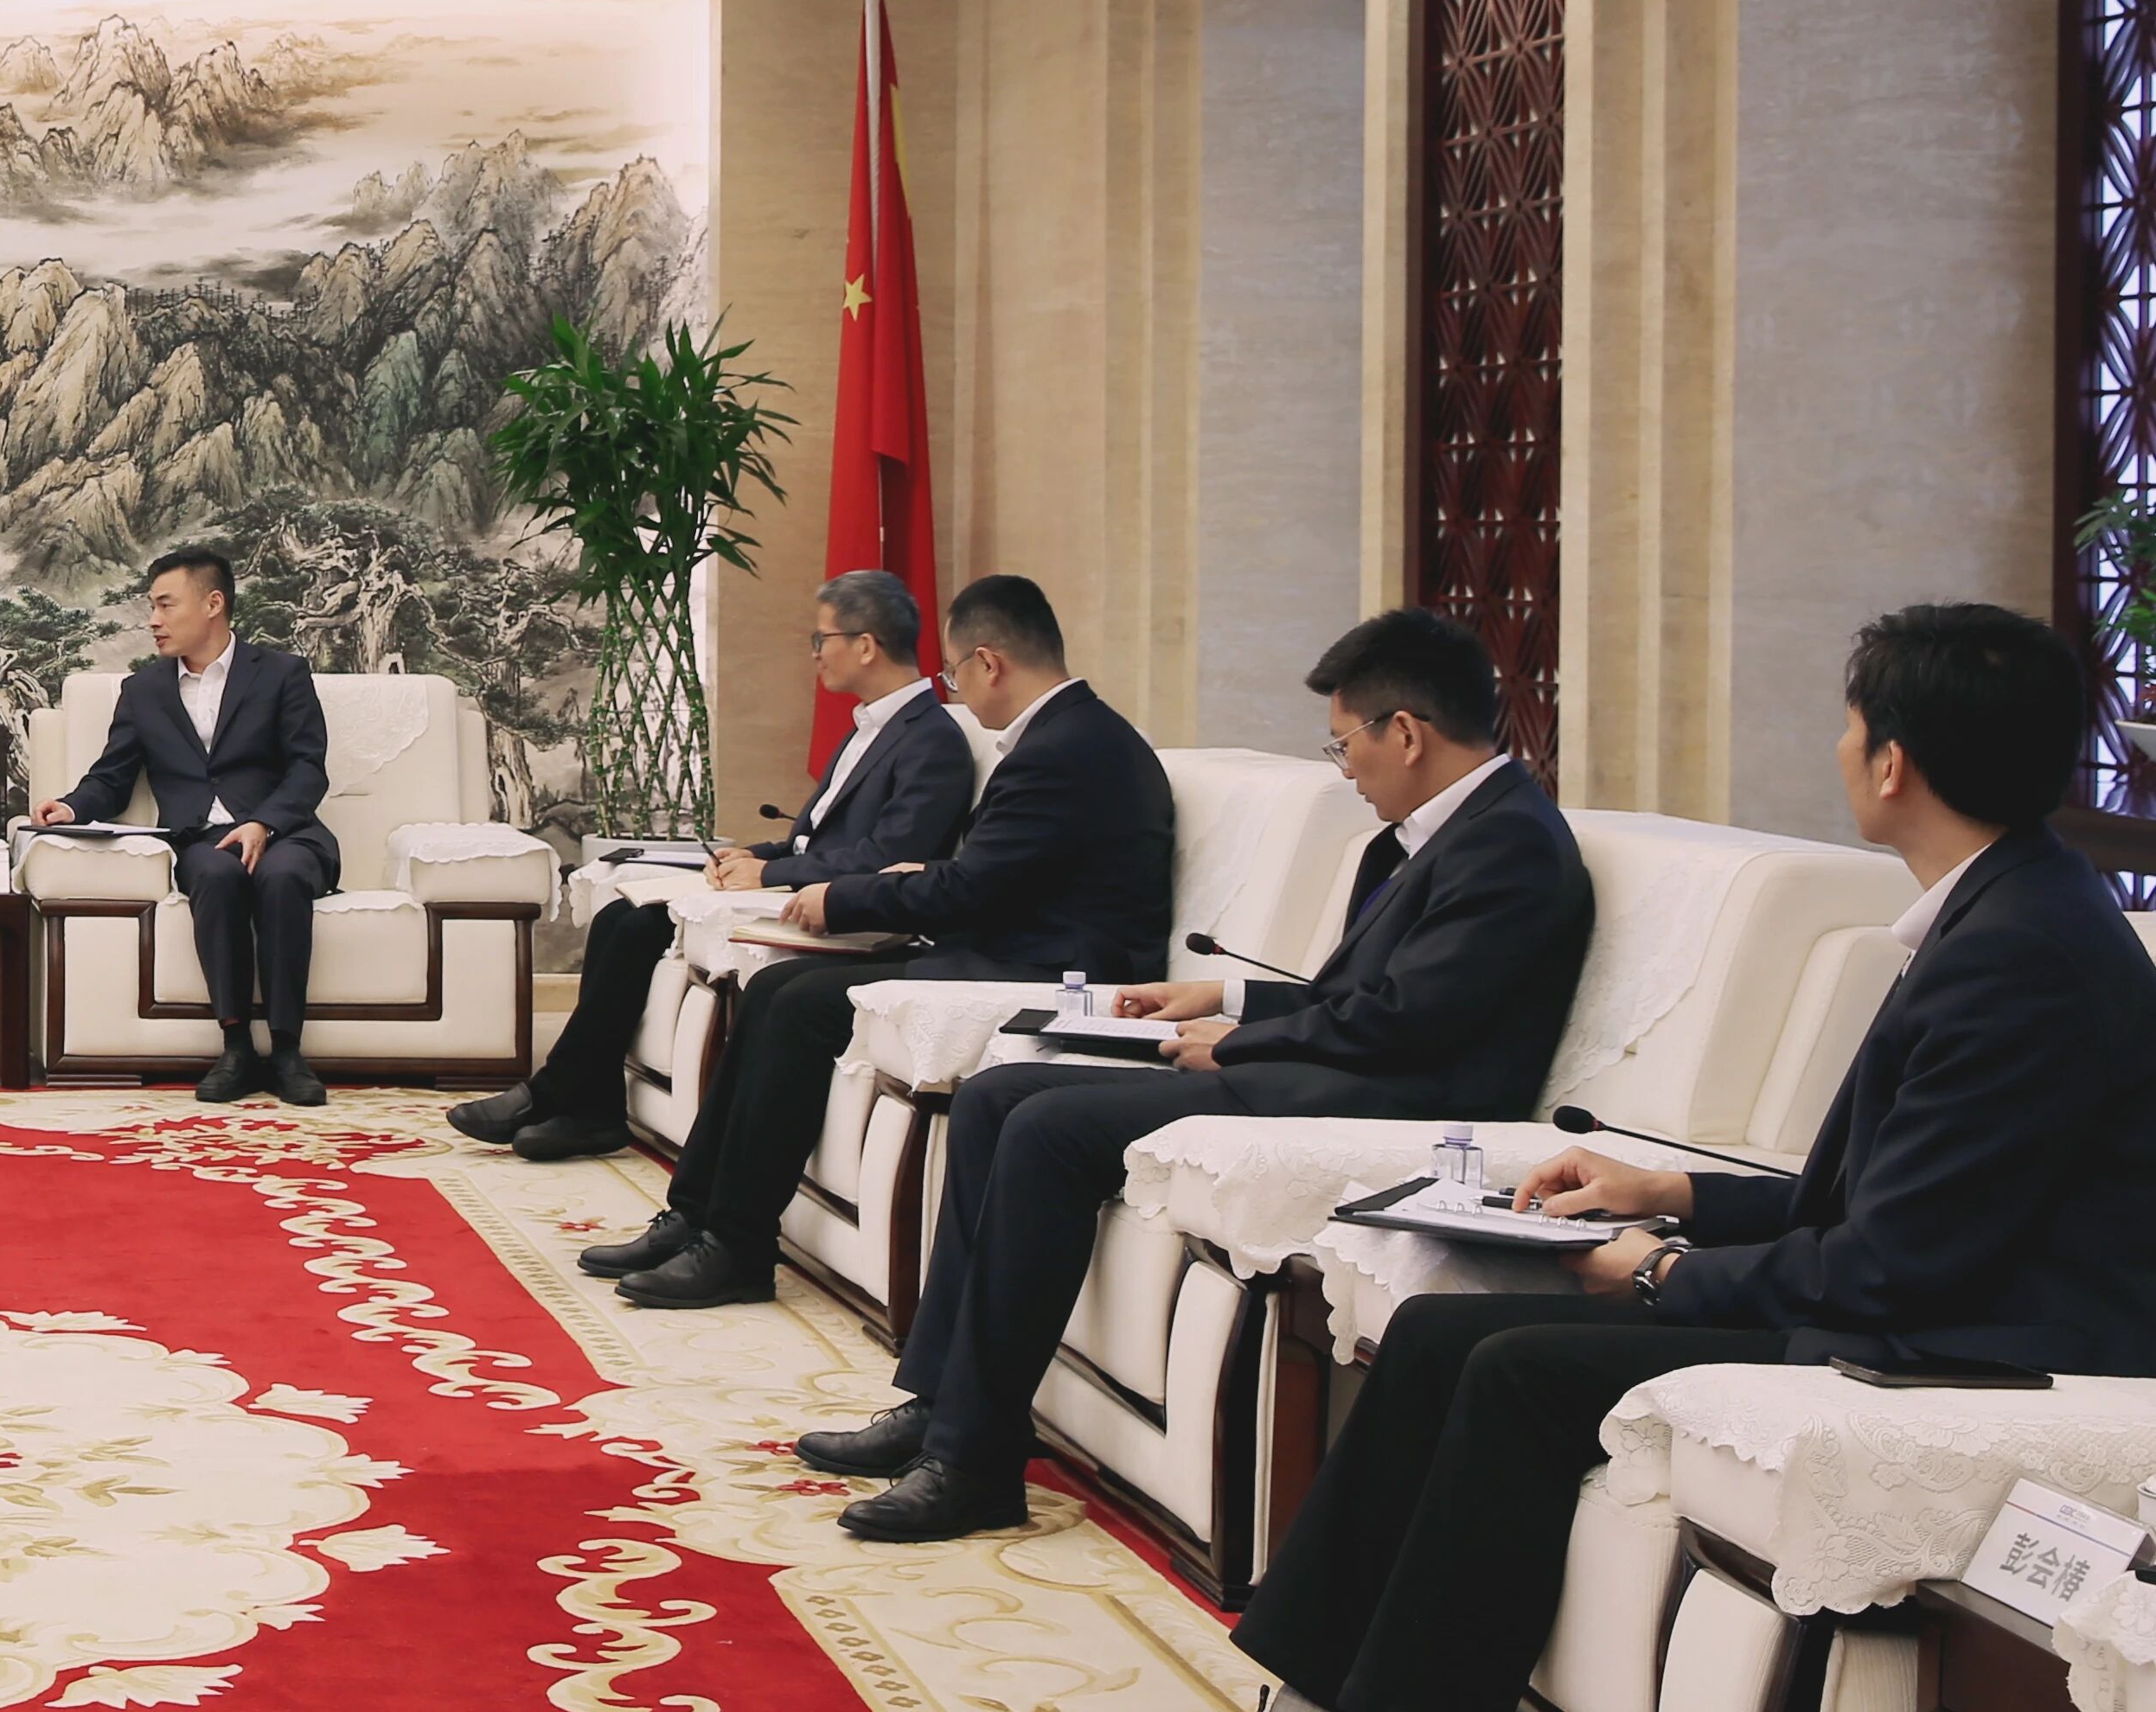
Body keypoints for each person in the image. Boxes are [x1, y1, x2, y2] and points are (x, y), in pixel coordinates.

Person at [1094, 603, 2156, 1712]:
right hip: (1935, 1295)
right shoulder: (2006, 909)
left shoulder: (2021, 954)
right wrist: (1670, 1194)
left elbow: (1895, 1265)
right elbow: (1892, 1205)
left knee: (1517, 1372)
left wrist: (1664, 1274)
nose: (1841, 748)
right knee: (1445, 1332)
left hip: (1980, 1347)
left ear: (1893, 761)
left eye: (1850, 725)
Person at [810, 607, 1594, 1540]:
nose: (1344, 769)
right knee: (995, 1094)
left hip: (1393, 1103)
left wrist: (1237, 1043)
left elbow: (1409, 1025)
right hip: (1342, 1069)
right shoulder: (1449, 830)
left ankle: (974, 1462)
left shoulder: (1508, 843)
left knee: (1048, 1127)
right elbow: (1370, 997)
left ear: (1407, 733)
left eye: (1344, 742)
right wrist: (1224, 996)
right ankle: (944, 1402)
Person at [606, 572, 1171, 1310]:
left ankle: (738, 1245)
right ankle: (698, 1214)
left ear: (989, 662)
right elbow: (996, 874)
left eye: (955, 672)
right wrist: (919, 878)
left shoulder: (1064, 748)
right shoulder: (1073, 733)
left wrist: (843, 896)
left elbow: (975, 888)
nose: (957, 689)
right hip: (1010, 942)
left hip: (1052, 970)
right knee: (775, 987)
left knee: (801, 1004)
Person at [452, 569, 972, 1164]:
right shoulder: (871, 726)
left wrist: (770, 876)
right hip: (802, 885)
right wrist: (756, 855)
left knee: (638, 927)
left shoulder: (931, 739)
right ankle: (593, 1107)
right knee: (621, 916)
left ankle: (558, 1095)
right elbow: (814, 839)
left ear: (865, 645)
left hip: (849, 912)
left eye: (821, 638)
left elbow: (886, 857)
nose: (815, 654)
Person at [32, 546, 341, 1107]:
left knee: (283, 877)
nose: (153, 619)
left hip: (285, 833)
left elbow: (308, 768)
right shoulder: (144, 691)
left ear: (213, 603)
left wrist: (264, 823)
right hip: (200, 839)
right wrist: (71, 808)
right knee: (217, 877)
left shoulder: (281, 674)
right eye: (151, 606)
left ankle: (288, 1051)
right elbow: (112, 778)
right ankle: (236, 1047)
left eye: (166, 605)